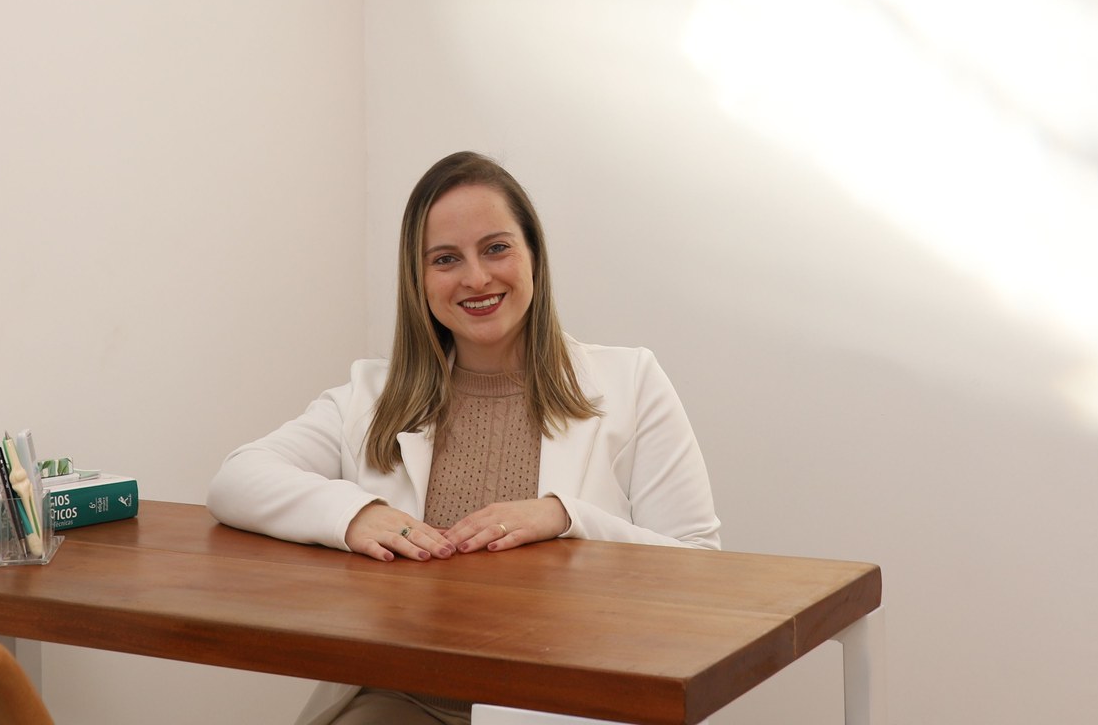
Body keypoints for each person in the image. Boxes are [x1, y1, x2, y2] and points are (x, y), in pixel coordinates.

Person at [207, 151, 720, 725]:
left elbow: (700, 571)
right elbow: (237, 478)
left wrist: (566, 517)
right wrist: (355, 515)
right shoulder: (371, 394)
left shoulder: (632, 381)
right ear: (419, 279)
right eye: (446, 259)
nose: (476, 278)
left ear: (533, 256)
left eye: (496, 248)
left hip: (565, 705)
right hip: (402, 699)